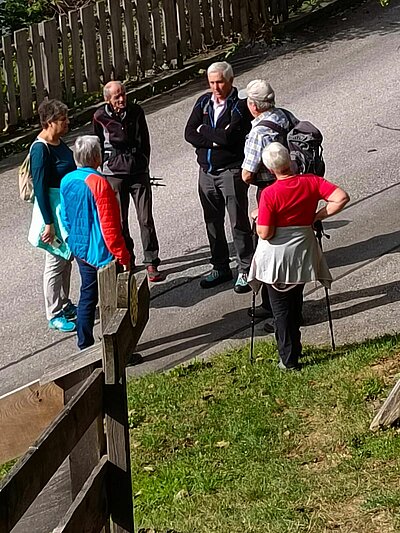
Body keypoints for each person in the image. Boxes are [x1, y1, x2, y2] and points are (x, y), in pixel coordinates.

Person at [248, 143, 349, 370]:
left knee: (281, 309)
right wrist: (315, 216)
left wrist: (257, 216)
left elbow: (266, 232)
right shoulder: (311, 182)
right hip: (303, 250)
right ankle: (295, 346)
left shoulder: (269, 193)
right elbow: (341, 197)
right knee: (294, 302)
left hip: (276, 258)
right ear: (289, 161)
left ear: (269, 168)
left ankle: (289, 359)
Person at [184, 61, 254, 293]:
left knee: (238, 222)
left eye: (220, 82)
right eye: (212, 82)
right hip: (206, 172)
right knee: (212, 222)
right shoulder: (203, 102)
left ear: (231, 81)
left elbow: (230, 139)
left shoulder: (240, 105)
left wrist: (205, 133)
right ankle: (220, 266)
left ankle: (246, 268)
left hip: (231, 171)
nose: (215, 87)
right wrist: (213, 137)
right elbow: (189, 133)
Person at [60, 135, 131, 350]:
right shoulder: (99, 183)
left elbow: (64, 216)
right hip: (102, 253)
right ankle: (116, 349)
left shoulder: (67, 180)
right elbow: (110, 226)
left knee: (87, 298)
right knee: (113, 302)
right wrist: (122, 255)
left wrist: (73, 241)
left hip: (80, 250)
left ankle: (85, 345)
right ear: (96, 157)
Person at [239, 79, 299, 325]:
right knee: (289, 247)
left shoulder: (258, 132)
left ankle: (279, 312)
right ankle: (277, 305)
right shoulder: (285, 116)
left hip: (270, 192)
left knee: (268, 249)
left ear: (254, 106)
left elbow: (246, 174)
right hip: (292, 187)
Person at [93, 81, 162, 282]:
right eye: (117, 97)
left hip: (137, 170)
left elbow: (145, 140)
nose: (122, 99)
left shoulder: (136, 111)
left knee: (145, 218)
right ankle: (127, 259)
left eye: (123, 94)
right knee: (120, 220)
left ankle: (151, 260)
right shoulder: (99, 116)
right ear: (108, 99)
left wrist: (144, 162)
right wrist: (104, 165)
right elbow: (96, 142)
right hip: (113, 173)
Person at [29, 99, 77, 332]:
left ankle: (65, 303)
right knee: (54, 262)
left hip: (65, 208)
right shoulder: (40, 149)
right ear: (49, 122)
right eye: (62, 120)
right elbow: (39, 189)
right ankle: (54, 312)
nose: (67, 122)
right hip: (53, 213)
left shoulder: (58, 142)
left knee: (67, 259)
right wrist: (48, 223)